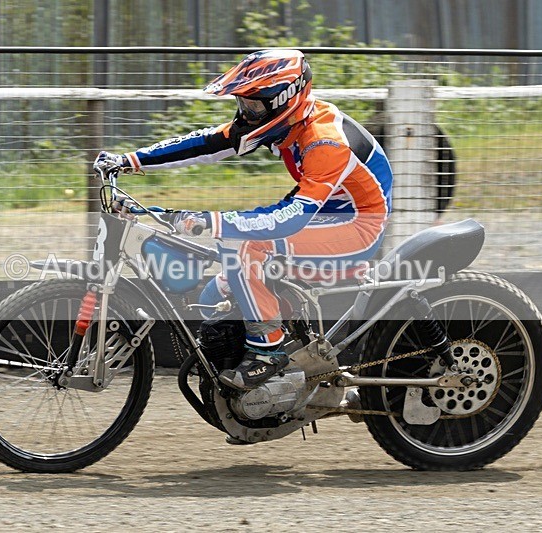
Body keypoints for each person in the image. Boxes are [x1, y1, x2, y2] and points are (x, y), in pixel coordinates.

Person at [97, 49, 393, 391]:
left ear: (284, 100)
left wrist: (212, 222)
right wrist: (129, 160)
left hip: (357, 226)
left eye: (253, 105)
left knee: (245, 245)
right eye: (242, 103)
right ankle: (287, 359)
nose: (245, 113)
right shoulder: (291, 122)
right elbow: (206, 144)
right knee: (213, 297)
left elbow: (289, 218)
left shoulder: (325, 141)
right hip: (325, 214)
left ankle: (269, 351)